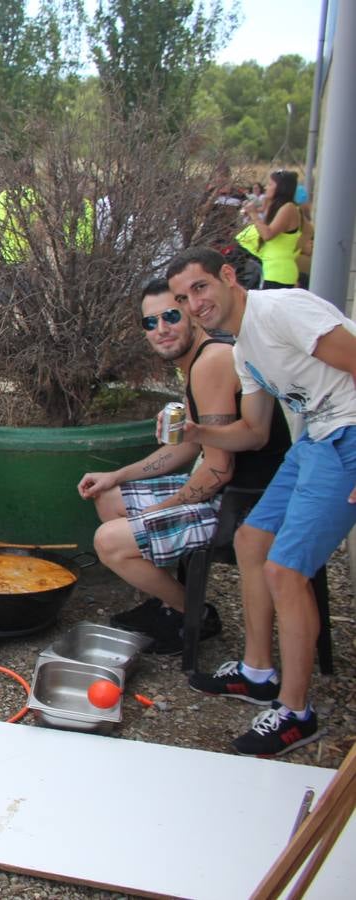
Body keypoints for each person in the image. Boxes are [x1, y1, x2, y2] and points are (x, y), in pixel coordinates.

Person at [166, 246, 356, 757]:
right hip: (315, 439)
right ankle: (257, 672)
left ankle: (296, 714)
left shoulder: (283, 310)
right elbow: (252, 433)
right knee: (252, 540)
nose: (194, 303)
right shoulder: (243, 348)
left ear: (228, 276)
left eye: (200, 287)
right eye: (183, 297)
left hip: (348, 437)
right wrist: (197, 431)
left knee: (286, 571)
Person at [76, 279, 289, 653]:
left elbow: (218, 471)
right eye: (150, 322)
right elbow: (187, 449)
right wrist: (117, 475)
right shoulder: (196, 362)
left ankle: (193, 615)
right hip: (226, 490)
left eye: (171, 315)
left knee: (109, 542)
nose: (162, 329)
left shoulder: (213, 362)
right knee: (109, 497)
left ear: (191, 314)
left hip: (245, 508)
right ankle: (170, 604)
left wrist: (153, 514)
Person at [239, 169, 301, 289]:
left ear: (281, 187)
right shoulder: (278, 207)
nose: (266, 187)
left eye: (270, 184)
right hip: (271, 269)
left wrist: (253, 214)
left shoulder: (289, 208)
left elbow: (268, 235)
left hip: (279, 272)